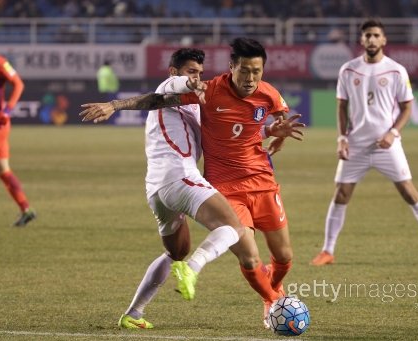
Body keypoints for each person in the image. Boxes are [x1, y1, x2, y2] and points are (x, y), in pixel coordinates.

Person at [79, 38, 305, 328]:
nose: (196, 78)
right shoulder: (186, 89)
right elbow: (162, 94)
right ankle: (257, 295)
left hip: (163, 188)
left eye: (199, 73)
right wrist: (115, 104)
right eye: (190, 73)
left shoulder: (203, 105)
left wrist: (273, 131)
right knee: (237, 235)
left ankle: (133, 314)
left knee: (177, 252)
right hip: (187, 180)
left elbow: (235, 133)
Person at [310, 18, 418, 267]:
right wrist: (342, 138)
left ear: (384, 39)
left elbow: (407, 107)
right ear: (361, 40)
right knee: (341, 194)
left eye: (376, 35)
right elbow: (342, 106)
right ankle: (327, 251)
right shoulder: (348, 70)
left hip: (387, 144)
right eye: (367, 36)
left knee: (408, 192)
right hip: (356, 144)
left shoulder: (396, 70)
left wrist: (393, 133)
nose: (372, 39)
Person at [0, 54, 36, 227]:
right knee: (3, 169)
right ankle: (25, 209)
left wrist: (8, 110)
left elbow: (19, 84)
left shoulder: (0, 62)